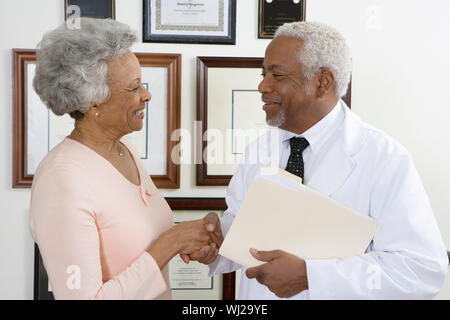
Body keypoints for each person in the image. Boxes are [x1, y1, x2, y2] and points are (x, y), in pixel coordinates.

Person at [184, 21, 449, 299]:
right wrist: (218, 239)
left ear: (323, 82)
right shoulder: (258, 150)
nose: (262, 86)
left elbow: (420, 270)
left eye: (277, 75)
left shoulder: (384, 158)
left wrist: (312, 276)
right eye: (263, 74)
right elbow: (249, 229)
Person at [29, 18, 222, 300]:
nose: (147, 95)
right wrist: (172, 241)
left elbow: (132, 243)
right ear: (92, 101)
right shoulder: (62, 179)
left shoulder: (125, 150)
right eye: (133, 88)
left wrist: (191, 241)